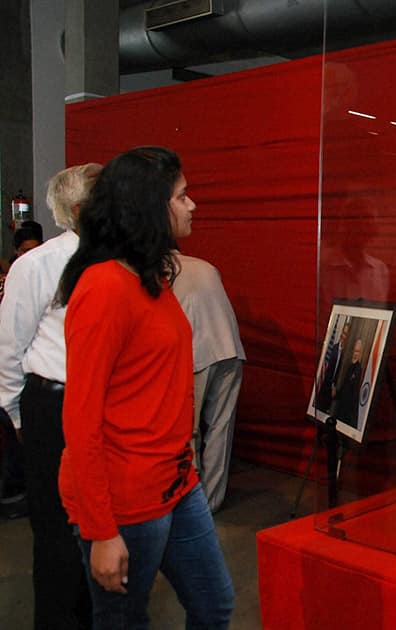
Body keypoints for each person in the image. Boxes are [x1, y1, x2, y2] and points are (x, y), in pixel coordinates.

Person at [55, 146, 234, 628]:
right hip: (126, 498)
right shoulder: (103, 288)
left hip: (176, 483)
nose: (192, 204)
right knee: (123, 621)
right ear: (150, 207)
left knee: (215, 606)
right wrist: (101, 531)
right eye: (182, 195)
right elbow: (80, 419)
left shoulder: (149, 275)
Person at [0, 162, 101, 628]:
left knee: (103, 526)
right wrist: (17, 419)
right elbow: (8, 349)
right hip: (53, 407)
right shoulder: (35, 265)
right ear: (80, 209)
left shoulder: (122, 259)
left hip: (105, 408)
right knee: (58, 531)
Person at [172, 253, 246, 513]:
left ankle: (190, 501)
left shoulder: (159, 272)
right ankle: (212, 501)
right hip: (230, 349)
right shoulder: (206, 266)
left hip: (196, 354)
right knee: (221, 430)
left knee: (188, 430)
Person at [315, 319, 351, 415]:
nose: (344, 336)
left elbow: (339, 373)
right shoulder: (333, 349)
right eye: (343, 333)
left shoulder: (345, 354)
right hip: (324, 386)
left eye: (347, 335)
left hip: (333, 391)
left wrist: (334, 386)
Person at [332, 339, 364, 429]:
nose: (355, 353)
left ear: (360, 353)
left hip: (347, 414)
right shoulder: (350, 367)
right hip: (340, 409)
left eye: (357, 351)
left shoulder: (358, 369)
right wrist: (336, 394)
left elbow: (353, 395)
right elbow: (344, 389)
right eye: (354, 351)